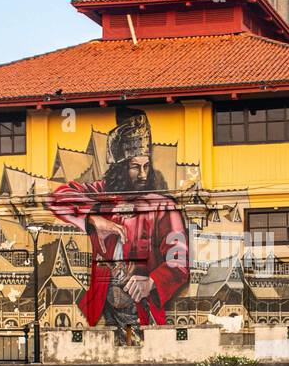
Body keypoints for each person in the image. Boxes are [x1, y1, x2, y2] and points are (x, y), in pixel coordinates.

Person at [50, 109, 189, 340]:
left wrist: (152, 282)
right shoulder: (100, 193)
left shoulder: (164, 206)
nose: (143, 174)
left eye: (146, 166)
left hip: (138, 302)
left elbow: (179, 260)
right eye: (135, 167)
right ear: (120, 168)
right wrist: (93, 218)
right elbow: (57, 198)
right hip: (101, 300)